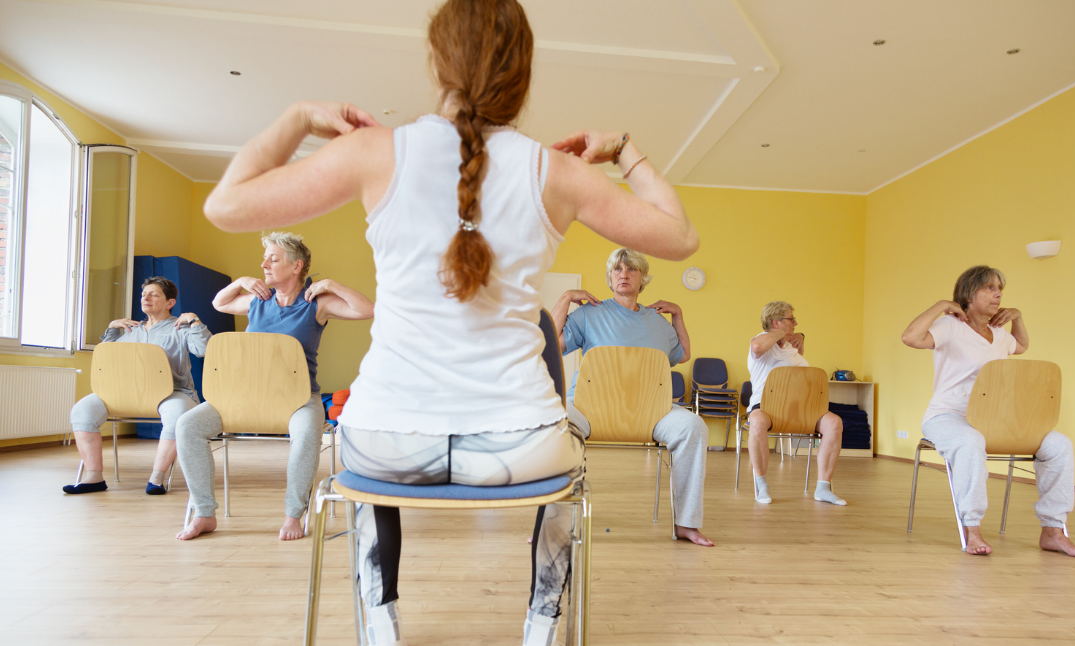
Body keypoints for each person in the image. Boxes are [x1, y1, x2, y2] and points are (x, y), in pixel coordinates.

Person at [197, 0, 698, 641]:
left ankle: (381, 624)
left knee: (364, 458)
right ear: (524, 72)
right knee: (572, 433)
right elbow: (680, 236)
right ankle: (541, 624)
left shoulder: (376, 152)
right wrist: (625, 151)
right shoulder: (559, 172)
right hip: (522, 449)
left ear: (437, 62)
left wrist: (299, 118)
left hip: (383, 443)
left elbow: (225, 203)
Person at [175, 232, 373, 541]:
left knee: (308, 435)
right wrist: (240, 280)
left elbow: (366, 310)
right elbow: (219, 302)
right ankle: (203, 513)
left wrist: (332, 285)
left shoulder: (316, 303)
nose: (264, 264)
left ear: (297, 266)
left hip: (298, 398)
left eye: (273, 258)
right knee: (187, 426)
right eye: (265, 258)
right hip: (243, 397)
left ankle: (294, 515)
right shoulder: (258, 299)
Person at [901, 265, 1075, 559]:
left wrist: (1018, 318)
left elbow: (1022, 346)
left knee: (1060, 445)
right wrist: (941, 306)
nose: (998, 293)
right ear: (968, 293)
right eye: (989, 288)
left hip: (995, 420)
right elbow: (910, 338)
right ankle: (971, 527)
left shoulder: (999, 333)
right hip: (949, 416)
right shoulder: (951, 326)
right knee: (969, 442)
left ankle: (1053, 531)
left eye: (999, 288)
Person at [555, 248, 714, 547]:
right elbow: (550, 343)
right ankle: (556, 522)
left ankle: (686, 524)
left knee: (694, 427)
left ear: (643, 279)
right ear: (610, 277)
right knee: (553, 419)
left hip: (651, 412)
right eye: (617, 269)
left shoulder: (658, 322)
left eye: (631, 269)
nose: (623, 274)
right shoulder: (589, 314)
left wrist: (678, 313)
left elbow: (683, 354)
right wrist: (565, 298)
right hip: (588, 409)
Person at [64, 276, 209, 495]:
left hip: (172, 393)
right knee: (82, 412)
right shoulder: (130, 330)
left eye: (154, 294)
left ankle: (157, 479)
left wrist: (195, 321)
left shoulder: (181, 327)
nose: (146, 297)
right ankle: (93, 477)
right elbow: (107, 359)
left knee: (177, 417)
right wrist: (112, 328)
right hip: (125, 393)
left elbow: (204, 350)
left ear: (170, 303)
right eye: (144, 294)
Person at [745, 301, 846, 505]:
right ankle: (762, 485)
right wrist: (783, 334)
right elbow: (757, 346)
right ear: (776, 322)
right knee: (756, 422)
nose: (796, 323)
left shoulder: (792, 346)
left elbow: (797, 364)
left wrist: (799, 337)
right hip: (766, 408)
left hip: (803, 409)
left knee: (834, 422)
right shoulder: (761, 342)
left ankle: (823, 488)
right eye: (791, 319)